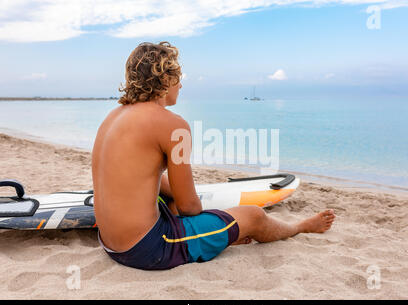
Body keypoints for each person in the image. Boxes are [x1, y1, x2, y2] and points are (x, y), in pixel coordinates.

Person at [91, 41, 335, 270]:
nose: (181, 85)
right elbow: (190, 207)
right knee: (253, 215)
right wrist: (217, 219)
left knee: (173, 200)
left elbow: (142, 179)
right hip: (147, 249)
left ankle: (222, 234)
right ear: (165, 79)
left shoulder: (112, 117)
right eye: (179, 78)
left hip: (111, 244)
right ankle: (299, 227)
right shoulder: (173, 125)